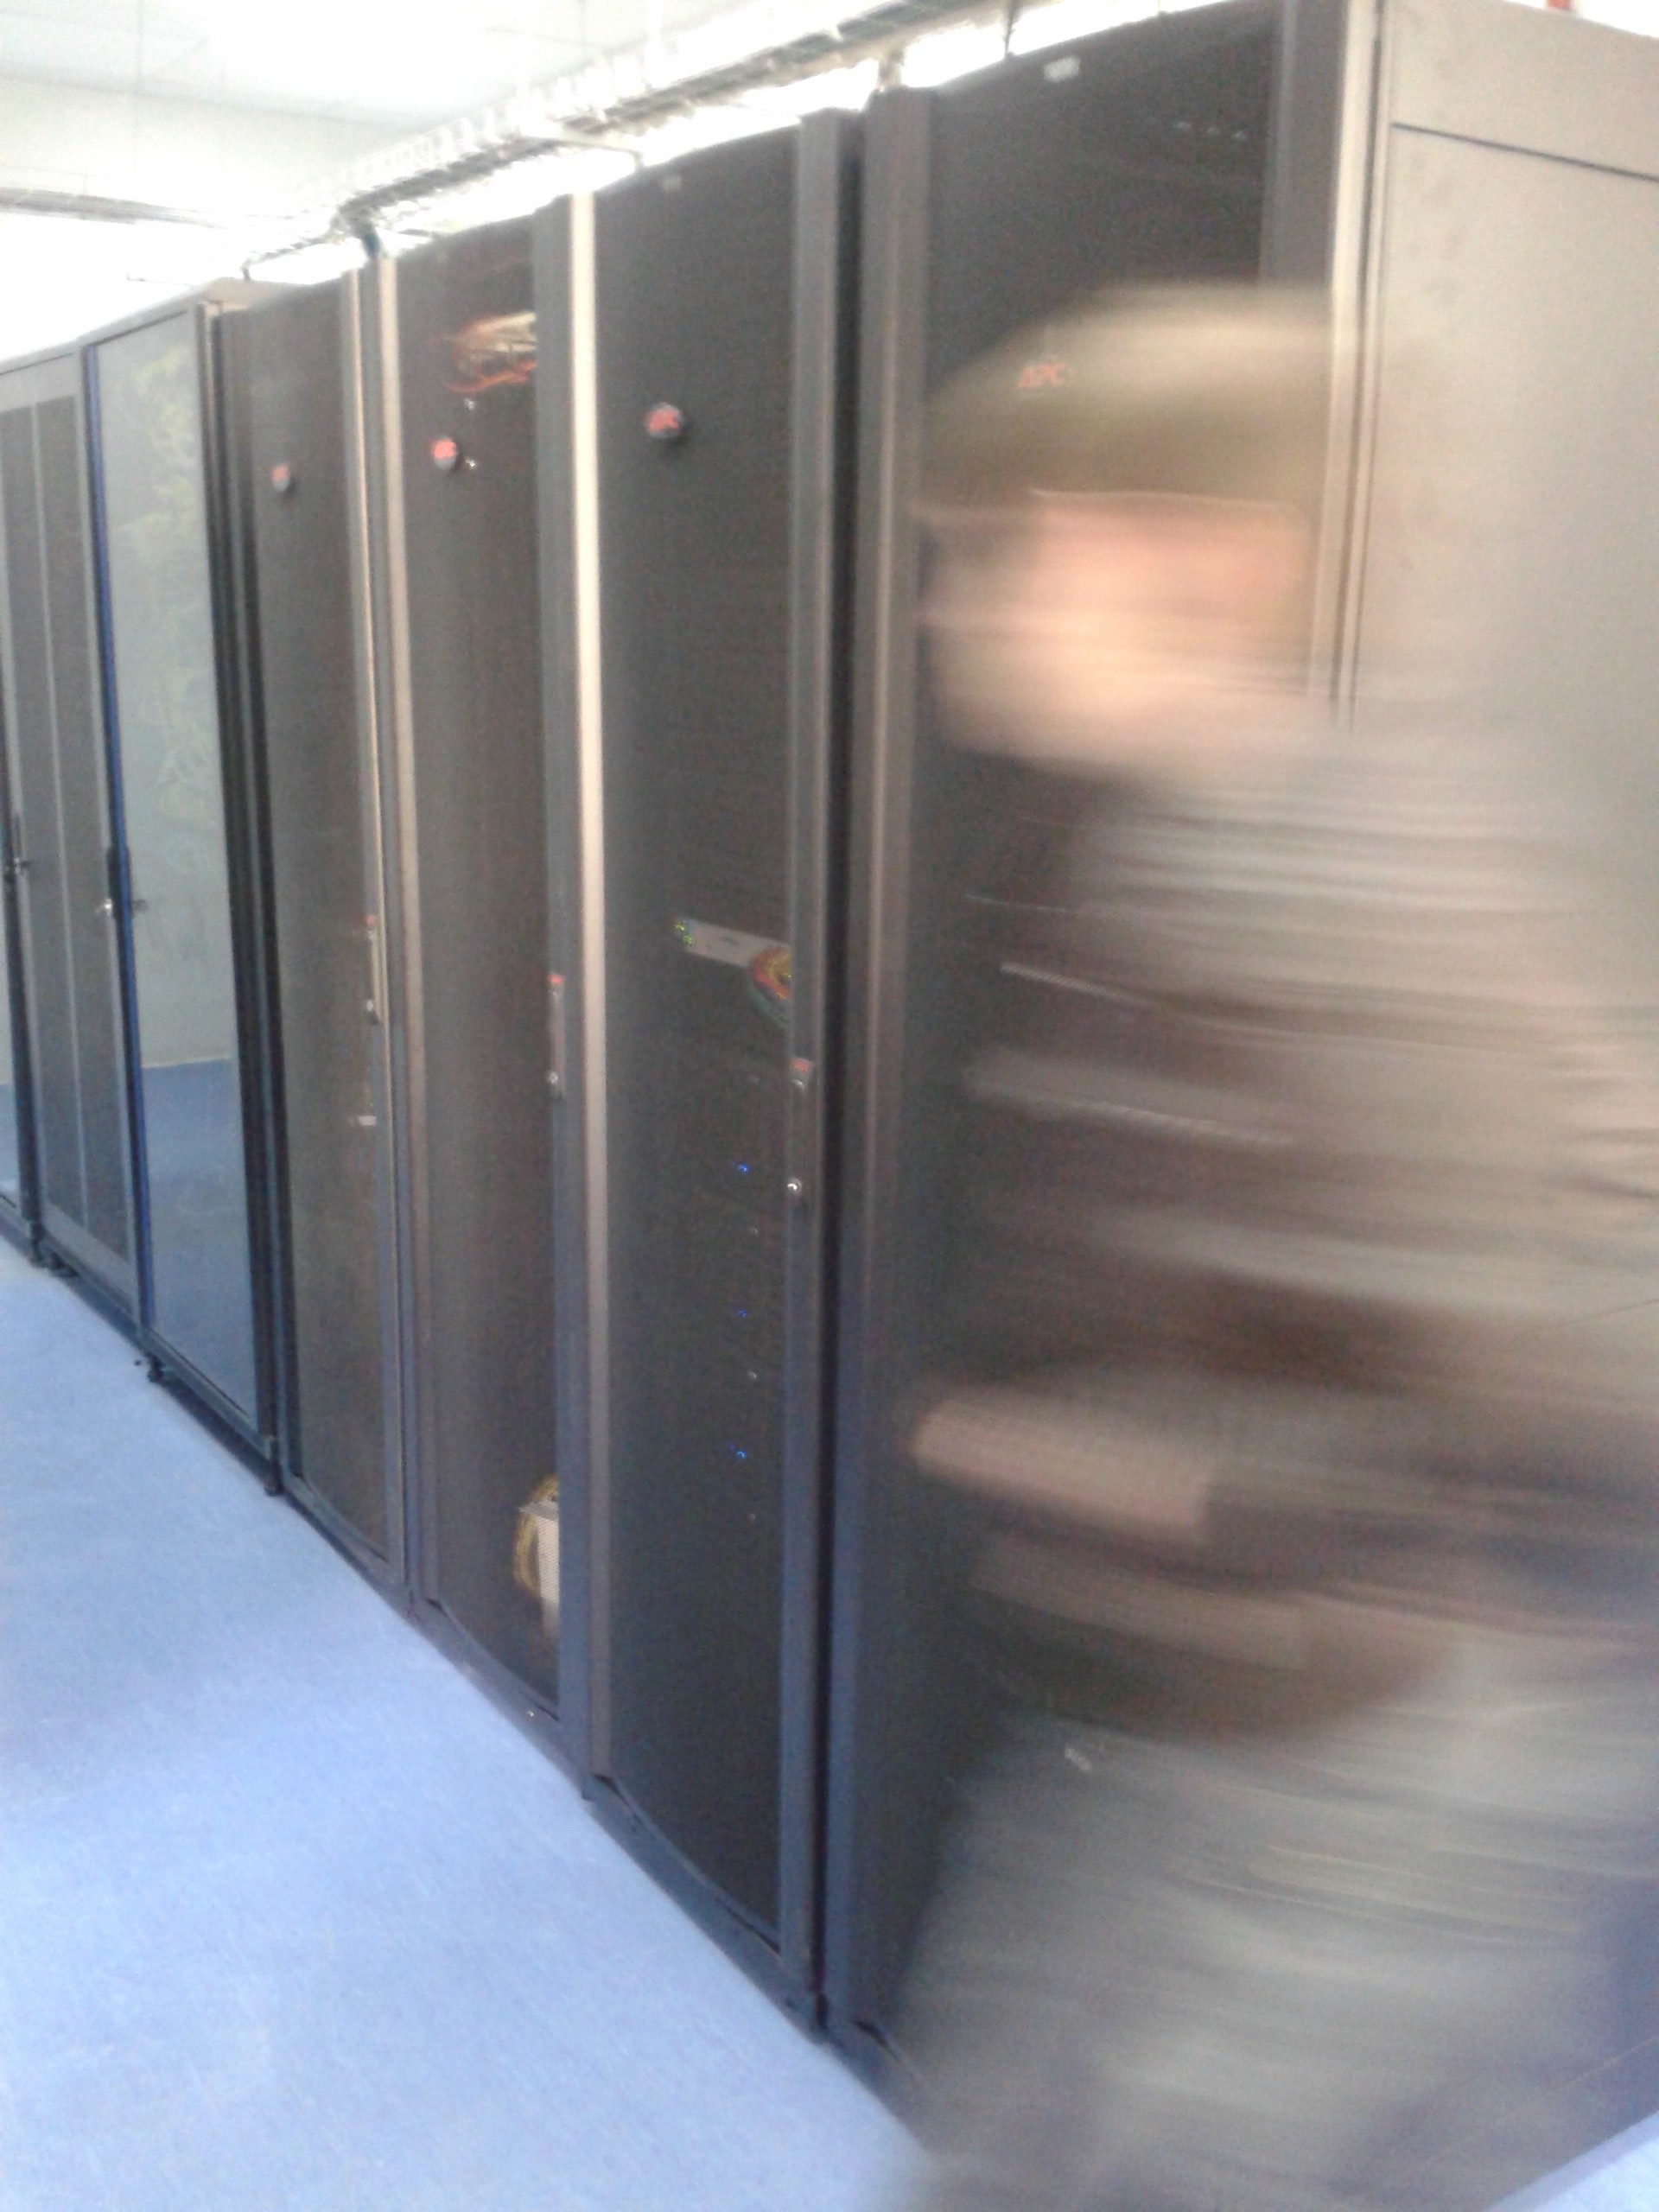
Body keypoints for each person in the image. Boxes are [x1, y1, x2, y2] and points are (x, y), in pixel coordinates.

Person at [892, 285, 1659, 2212]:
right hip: (1214, 1734)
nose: (949, 606)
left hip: (1365, 1784)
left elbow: (1574, 1403)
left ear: (1208, 560)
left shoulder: (1341, 881)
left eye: (998, 553)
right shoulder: (1173, 837)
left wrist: (1111, 1466)